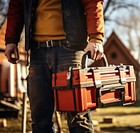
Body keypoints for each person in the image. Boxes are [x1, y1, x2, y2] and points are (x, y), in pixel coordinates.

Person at [4, 0, 104, 132]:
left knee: (78, 117)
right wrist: (11, 40)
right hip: (37, 51)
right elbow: (16, 6)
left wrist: (95, 37)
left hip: (71, 49)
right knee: (40, 120)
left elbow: (93, 2)